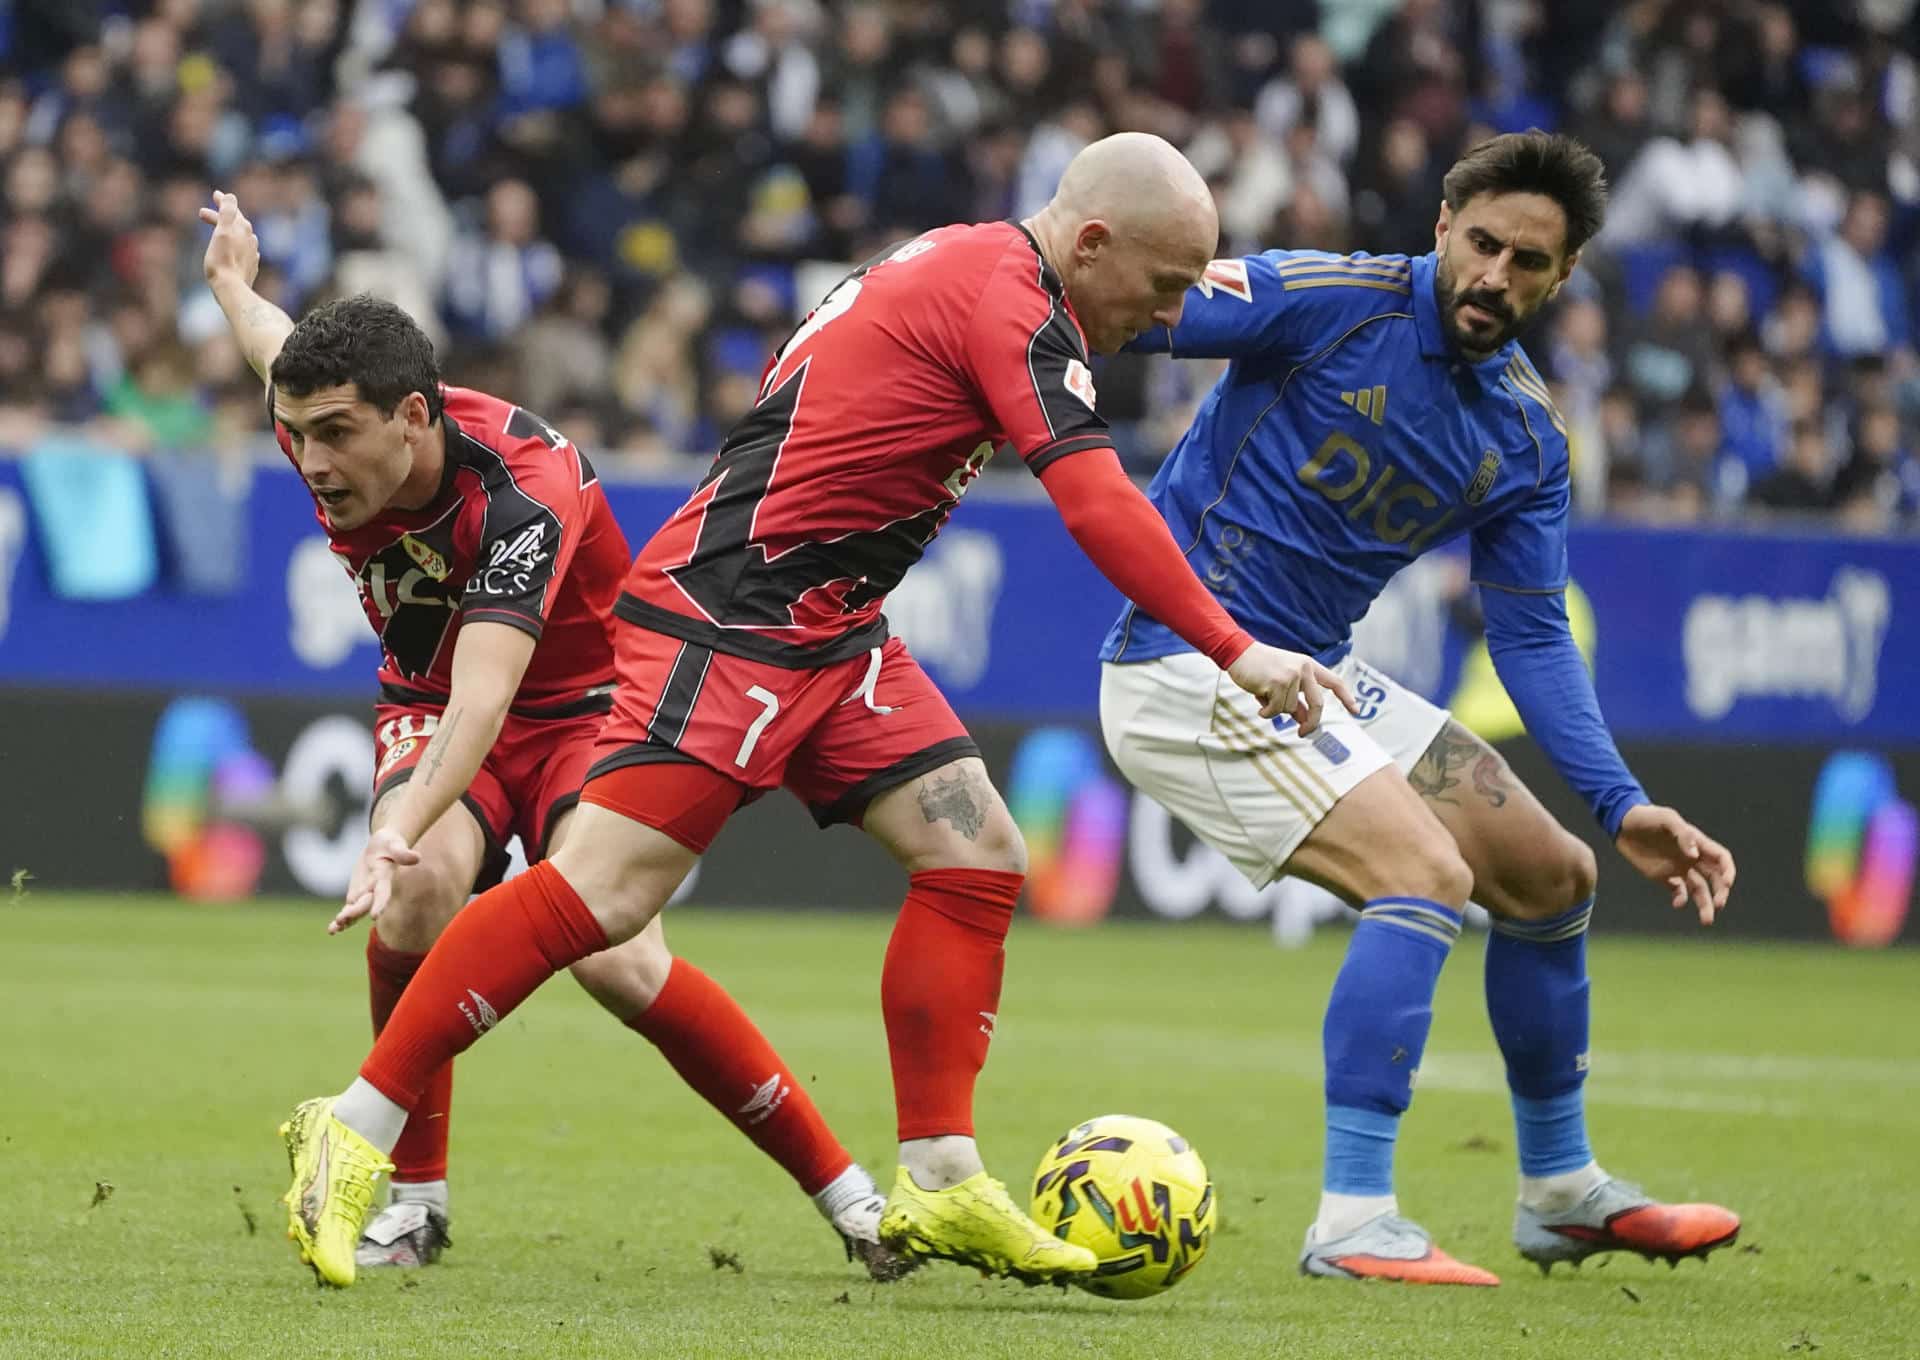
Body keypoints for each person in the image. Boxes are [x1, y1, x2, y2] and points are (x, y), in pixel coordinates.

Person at [272, 134, 1354, 1288]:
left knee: (976, 847)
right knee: (601, 897)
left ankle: (939, 1176)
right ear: (1092, 243)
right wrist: (1238, 650)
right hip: (742, 608)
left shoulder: (979, 267)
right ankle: (355, 1127)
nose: (1171, 313)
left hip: (830, 620)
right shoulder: (1014, 302)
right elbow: (1094, 502)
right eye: (1167, 284)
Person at [197, 193, 903, 1285]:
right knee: (425, 886)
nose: (313, 462)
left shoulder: (527, 486)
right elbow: (272, 351)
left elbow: (492, 698)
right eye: (296, 435)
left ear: (415, 420)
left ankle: (851, 1198)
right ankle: (412, 1204)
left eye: (335, 436)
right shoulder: (328, 416)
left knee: (621, 961)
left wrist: (393, 826)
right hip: (426, 699)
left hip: (587, 707)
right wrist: (234, 285)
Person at [1099, 131, 1741, 1286]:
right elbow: (1134, 307)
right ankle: (1352, 1216)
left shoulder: (1527, 435)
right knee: (1424, 875)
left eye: (1529, 261)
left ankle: (1557, 1189)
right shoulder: (1322, 298)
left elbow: (1533, 632)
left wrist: (1620, 802)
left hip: (1318, 672)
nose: (1496, 275)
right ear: (1442, 226)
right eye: (1482, 242)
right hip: (1187, 663)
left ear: (1565, 275)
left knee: (1553, 877)